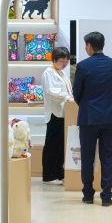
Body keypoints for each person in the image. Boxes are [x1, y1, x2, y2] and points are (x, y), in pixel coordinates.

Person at [71, 31, 112, 206]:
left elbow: (76, 93)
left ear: (90, 46)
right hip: (109, 117)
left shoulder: (83, 66)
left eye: (86, 45)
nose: (85, 48)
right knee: (107, 157)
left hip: (88, 117)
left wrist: (86, 104)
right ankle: (106, 197)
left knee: (87, 157)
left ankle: (88, 195)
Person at [41, 47, 72, 183]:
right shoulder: (48, 72)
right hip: (54, 113)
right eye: (62, 61)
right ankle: (49, 175)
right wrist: (67, 97)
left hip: (63, 113)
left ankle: (59, 173)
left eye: (67, 61)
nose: (64, 64)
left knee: (60, 145)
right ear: (54, 59)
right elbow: (51, 92)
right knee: (52, 145)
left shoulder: (61, 73)